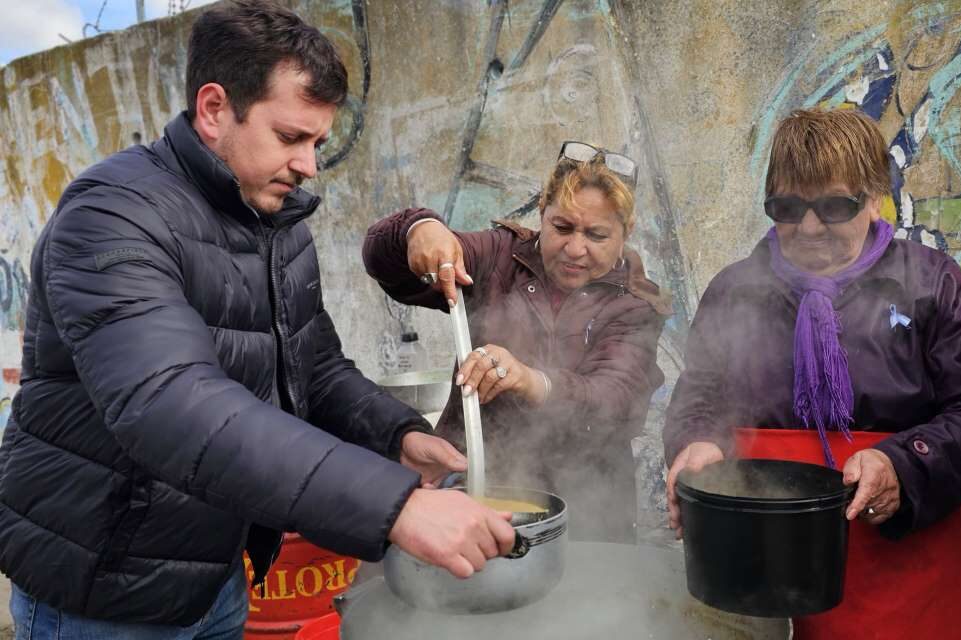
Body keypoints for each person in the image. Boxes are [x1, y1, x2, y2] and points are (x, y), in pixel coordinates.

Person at [0, 1, 514, 637]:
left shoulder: (277, 221)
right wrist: (395, 506)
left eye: (318, 142)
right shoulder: (112, 216)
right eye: (292, 137)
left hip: (217, 570)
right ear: (215, 110)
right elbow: (170, 402)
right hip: (102, 587)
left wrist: (396, 438)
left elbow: (315, 367)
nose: (309, 166)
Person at [662, 108, 961, 639]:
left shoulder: (929, 281)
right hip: (759, 566)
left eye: (834, 205)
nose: (808, 227)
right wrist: (696, 444)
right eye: (787, 206)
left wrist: (903, 465)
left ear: (874, 196)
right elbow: (700, 398)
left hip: (907, 573)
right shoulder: (734, 289)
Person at [363, 142, 671, 542]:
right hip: (471, 494)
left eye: (597, 234)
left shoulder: (636, 302)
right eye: (562, 227)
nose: (575, 249)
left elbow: (615, 400)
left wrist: (531, 380)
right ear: (542, 212)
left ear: (626, 232)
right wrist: (419, 228)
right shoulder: (498, 256)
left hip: (590, 520)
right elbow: (383, 260)